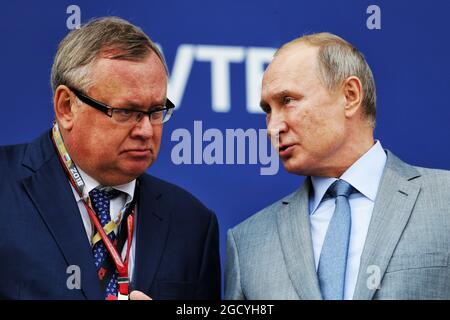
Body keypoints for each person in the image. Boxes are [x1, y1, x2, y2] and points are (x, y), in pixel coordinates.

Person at [0, 17, 220, 300]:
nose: (145, 130)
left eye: (156, 111)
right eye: (126, 112)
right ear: (67, 106)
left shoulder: (192, 223)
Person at [224, 32, 450, 300]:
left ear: (350, 95)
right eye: (268, 110)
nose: (273, 127)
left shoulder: (444, 200)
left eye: (288, 101)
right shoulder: (247, 242)